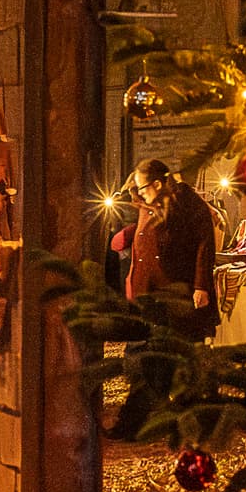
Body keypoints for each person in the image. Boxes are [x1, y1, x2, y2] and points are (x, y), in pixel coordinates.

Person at [105, 160, 220, 439]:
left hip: (175, 295)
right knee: (154, 360)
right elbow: (150, 229)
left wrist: (200, 285)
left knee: (162, 361)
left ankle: (145, 423)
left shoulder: (186, 204)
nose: (139, 193)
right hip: (151, 295)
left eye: (142, 187)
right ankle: (151, 421)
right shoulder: (153, 202)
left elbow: (204, 243)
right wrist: (131, 234)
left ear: (157, 183)